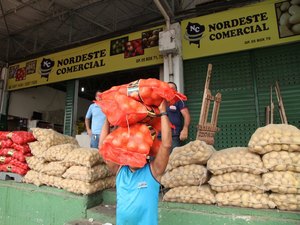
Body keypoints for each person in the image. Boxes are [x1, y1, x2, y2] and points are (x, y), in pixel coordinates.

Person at [99, 99, 172, 225]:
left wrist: (163, 113)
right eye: (131, 150)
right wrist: (107, 117)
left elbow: (166, 144)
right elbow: (103, 147)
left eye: (138, 150)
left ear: (146, 153)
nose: (134, 154)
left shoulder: (154, 171)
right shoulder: (119, 170)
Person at [167, 82, 191, 150]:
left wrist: (185, 129)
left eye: (172, 88)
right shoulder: (159, 101)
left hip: (173, 136)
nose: (170, 90)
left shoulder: (179, 101)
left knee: (173, 159)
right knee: (156, 159)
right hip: (159, 136)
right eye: (168, 88)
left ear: (176, 91)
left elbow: (186, 115)